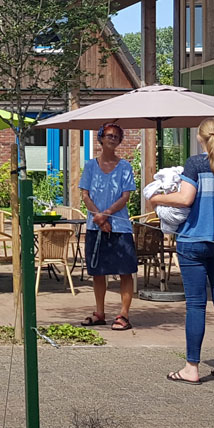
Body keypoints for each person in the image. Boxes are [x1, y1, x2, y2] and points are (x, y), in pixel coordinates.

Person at [147, 117, 214, 384]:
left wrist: (155, 198)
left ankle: (191, 368)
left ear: (199, 137)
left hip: (193, 243)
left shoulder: (195, 164)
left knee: (196, 305)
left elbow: (185, 198)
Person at [77, 122, 138, 330]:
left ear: (120, 141)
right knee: (98, 271)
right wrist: (99, 217)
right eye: (109, 135)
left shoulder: (125, 167)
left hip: (119, 227)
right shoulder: (90, 166)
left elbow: (126, 196)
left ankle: (124, 314)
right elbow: (84, 194)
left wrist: (107, 215)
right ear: (101, 138)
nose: (112, 139)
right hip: (96, 226)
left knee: (125, 271)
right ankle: (100, 312)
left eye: (116, 136)